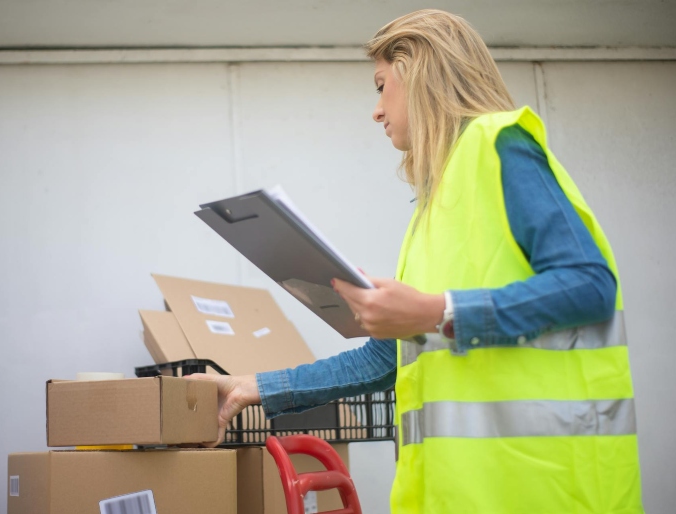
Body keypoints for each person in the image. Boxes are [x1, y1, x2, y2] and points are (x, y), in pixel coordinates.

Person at [192, 9, 644, 514]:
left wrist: (436, 311)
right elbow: (388, 358)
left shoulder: (501, 144)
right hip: (460, 496)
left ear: (421, 72)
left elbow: (590, 285)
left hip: (548, 492)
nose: (376, 111)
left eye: (382, 86)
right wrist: (251, 386)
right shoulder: (432, 208)